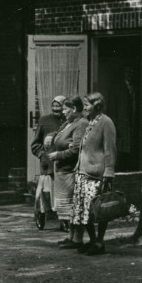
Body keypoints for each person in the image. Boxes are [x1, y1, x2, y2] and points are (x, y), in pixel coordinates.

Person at [66, 92, 117, 256]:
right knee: (84, 210)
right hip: (83, 173)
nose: (85, 108)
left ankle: (100, 242)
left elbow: (110, 149)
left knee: (98, 209)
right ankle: (93, 241)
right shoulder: (90, 122)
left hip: (96, 174)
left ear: (97, 105)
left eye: (87, 105)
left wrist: (109, 171)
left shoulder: (106, 122)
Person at [47, 96, 87, 238]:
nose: (63, 112)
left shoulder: (80, 124)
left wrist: (58, 155)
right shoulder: (68, 123)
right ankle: (71, 236)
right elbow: (59, 136)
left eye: (65, 109)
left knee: (72, 206)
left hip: (70, 170)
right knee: (66, 208)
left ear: (74, 109)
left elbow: (76, 149)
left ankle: (76, 238)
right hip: (62, 172)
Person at [30, 95, 66, 229]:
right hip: (47, 164)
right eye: (54, 106)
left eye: (59, 106)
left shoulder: (68, 121)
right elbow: (35, 144)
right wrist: (41, 155)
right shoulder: (45, 120)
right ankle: (41, 215)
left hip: (63, 163)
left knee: (62, 193)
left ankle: (64, 220)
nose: (56, 109)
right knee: (45, 193)